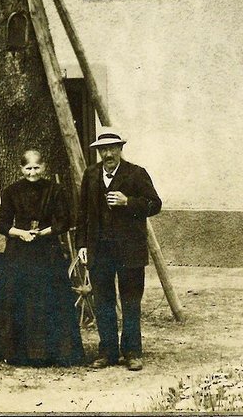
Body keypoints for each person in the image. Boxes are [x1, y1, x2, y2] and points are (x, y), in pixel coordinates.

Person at [0, 150, 86, 367]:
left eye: (36, 168)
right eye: (28, 168)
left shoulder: (55, 191)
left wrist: (44, 232)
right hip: (18, 254)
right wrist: (20, 233)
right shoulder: (11, 192)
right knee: (17, 299)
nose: (32, 173)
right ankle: (16, 352)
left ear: (44, 167)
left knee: (48, 298)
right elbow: (2, 224)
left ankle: (53, 352)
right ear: (21, 169)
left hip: (47, 253)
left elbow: (64, 221)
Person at [74, 130, 161, 371]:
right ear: (99, 152)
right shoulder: (91, 175)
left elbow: (155, 204)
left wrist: (128, 202)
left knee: (131, 301)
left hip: (129, 251)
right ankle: (108, 352)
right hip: (99, 250)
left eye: (113, 148)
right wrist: (81, 244)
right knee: (103, 302)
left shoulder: (136, 174)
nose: (108, 153)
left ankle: (132, 352)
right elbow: (82, 213)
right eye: (103, 150)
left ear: (120, 149)